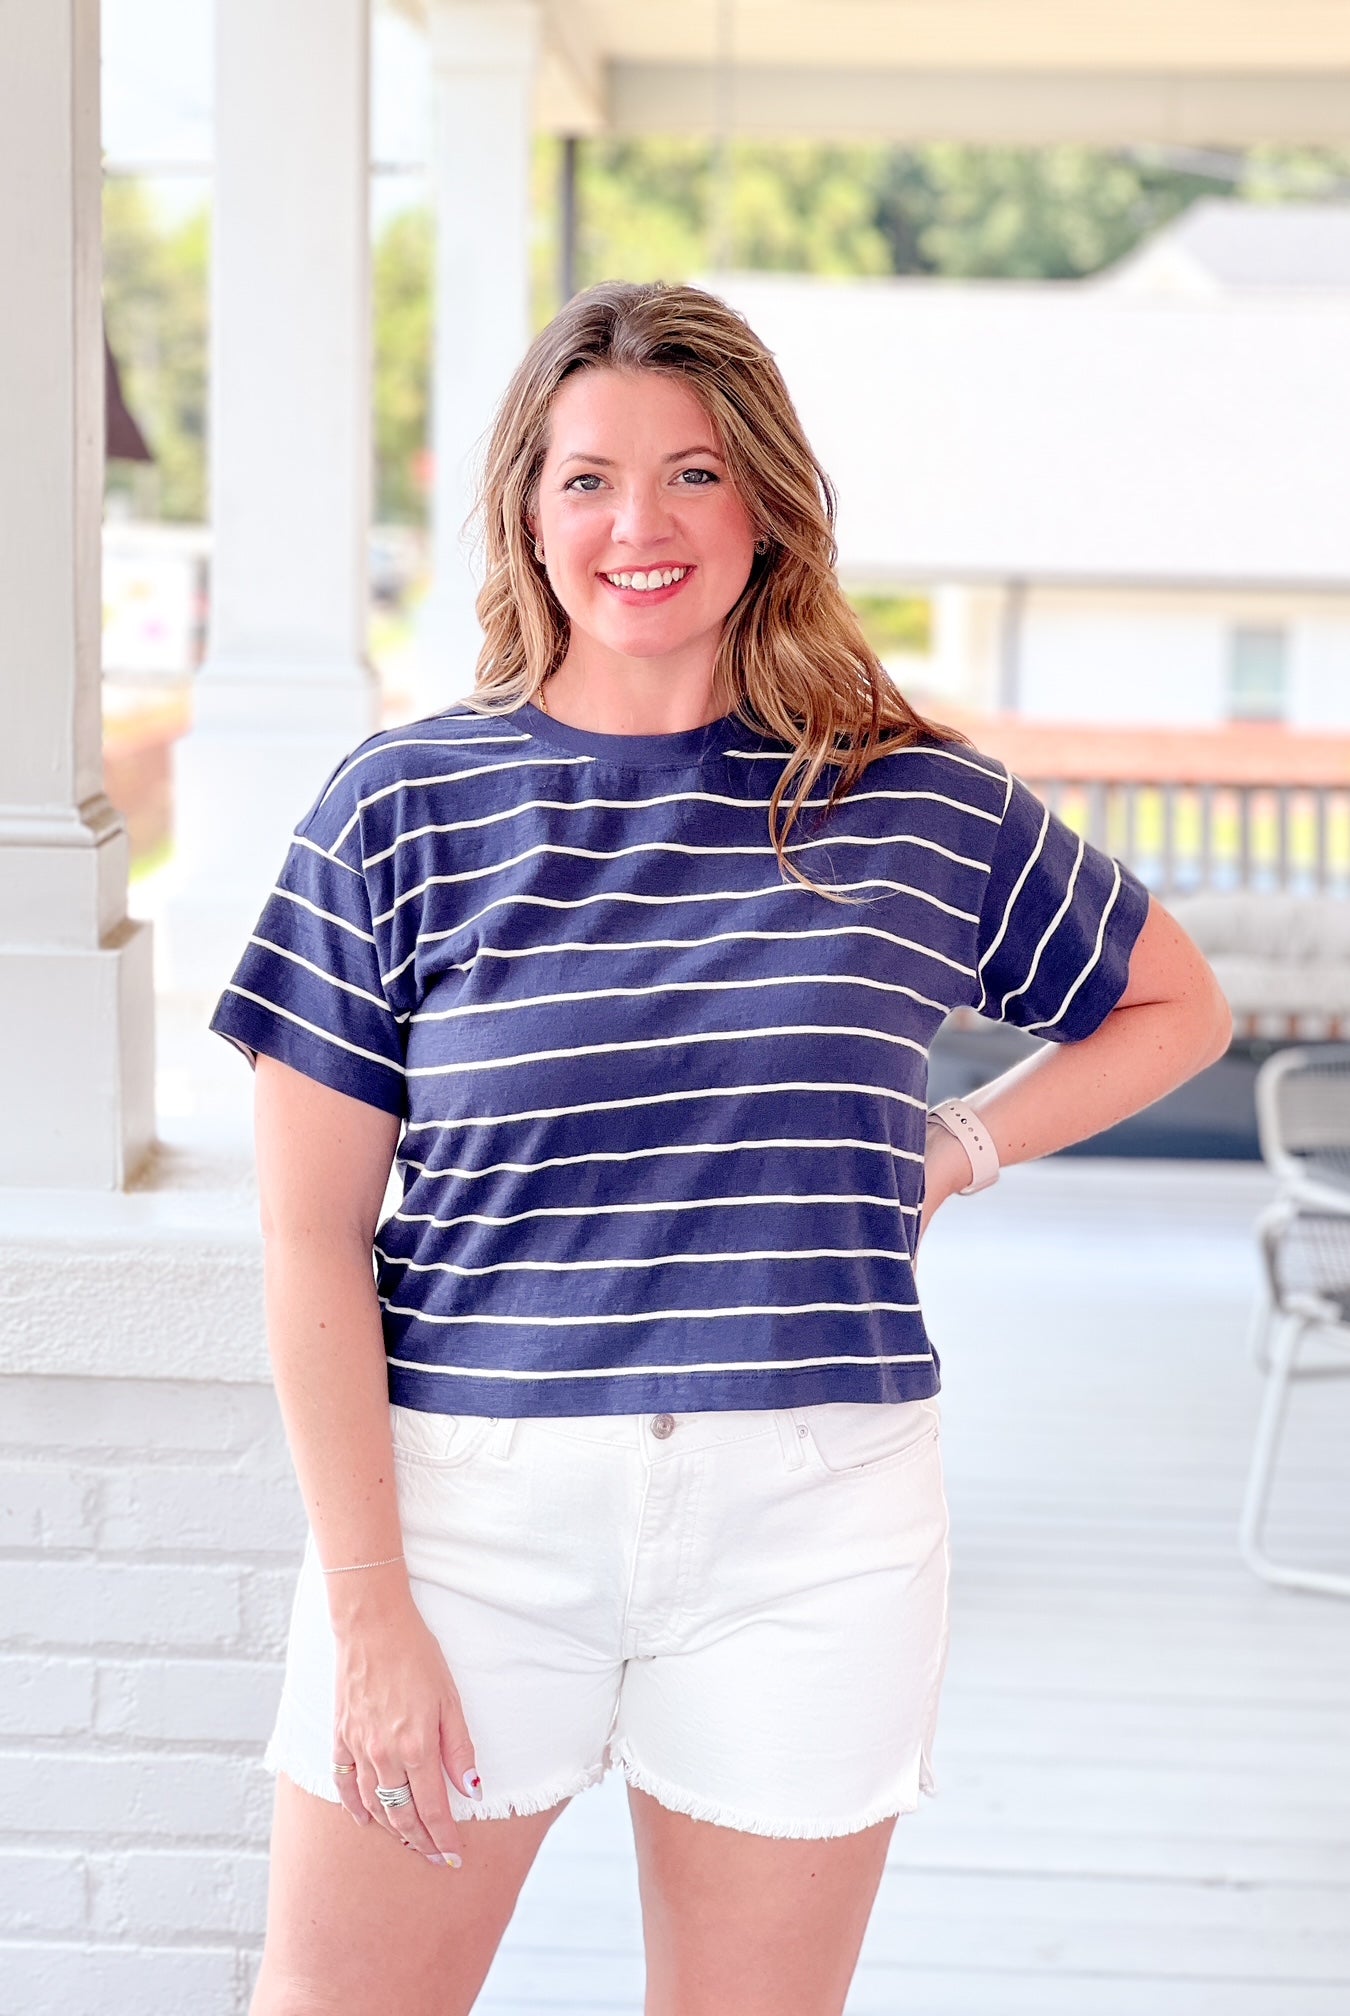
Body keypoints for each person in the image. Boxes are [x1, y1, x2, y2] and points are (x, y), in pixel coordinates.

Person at [210, 280, 1232, 2016]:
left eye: (692, 474)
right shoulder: (397, 809)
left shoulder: (913, 805)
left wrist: (955, 1150)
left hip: (814, 1526)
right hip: (465, 1528)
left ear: (765, 504)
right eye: (589, 476)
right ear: (527, 512)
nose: (639, 525)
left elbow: (1173, 1008)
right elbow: (310, 1240)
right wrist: (371, 1609)